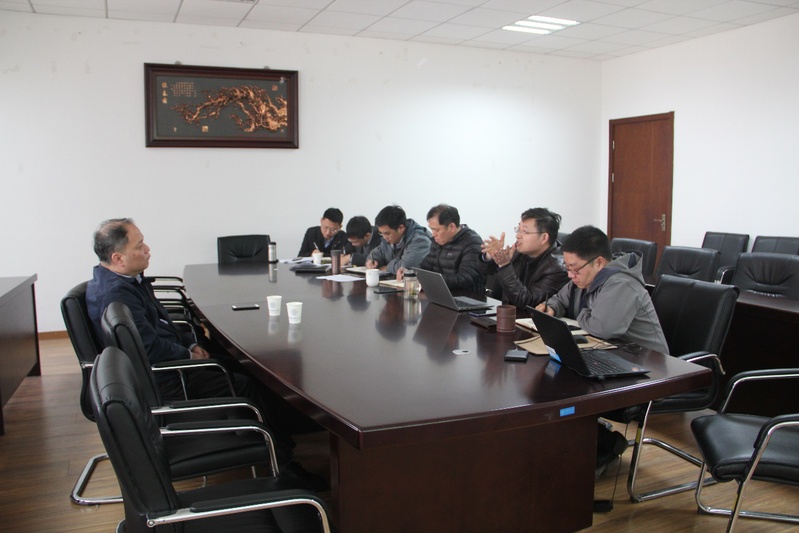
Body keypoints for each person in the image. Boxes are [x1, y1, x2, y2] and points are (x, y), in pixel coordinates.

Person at [85, 218, 325, 489]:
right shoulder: (117, 294)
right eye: (139, 245)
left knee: (244, 364)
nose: (148, 249)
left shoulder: (119, 280)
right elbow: (149, 347)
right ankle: (281, 463)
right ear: (118, 258)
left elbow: (161, 324)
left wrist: (189, 344)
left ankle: (283, 433)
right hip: (167, 378)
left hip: (163, 366)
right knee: (246, 380)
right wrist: (188, 355)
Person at [537, 225, 669, 354]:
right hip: (609, 351)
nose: (570, 275)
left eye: (575, 268)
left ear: (599, 263)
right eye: (567, 267)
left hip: (646, 360)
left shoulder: (622, 283)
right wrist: (551, 307)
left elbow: (602, 329)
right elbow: (560, 299)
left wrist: (583, 313)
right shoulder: (584, 278)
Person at [480, 208, 569, 309]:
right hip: (505, 311)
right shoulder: (520, 251)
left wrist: (504, 265)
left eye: (525, 231)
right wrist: (491, 255)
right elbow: (486, 272)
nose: (518, 235)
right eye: (518, 229)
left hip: (528, 317)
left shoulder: (558, 268)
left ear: (544, 238)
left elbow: (527, 302)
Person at [400, 204, 484, 292]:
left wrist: (434, 280)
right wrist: (410, 273)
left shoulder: (472, 242)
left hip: (465, 296)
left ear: (451, 227)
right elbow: (425, 268)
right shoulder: (437, 241)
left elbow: (467, 279)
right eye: (432, 229)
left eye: (437, 230)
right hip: (440, 293)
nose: (433, 234)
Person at [365, 205, 432, 275]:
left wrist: (387, 268)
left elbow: (407, 266)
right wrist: (373, 261)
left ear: (401, 228)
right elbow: (374, 254)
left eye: (387, 233)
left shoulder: (420, 240)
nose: (384, 237)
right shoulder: (388, 238)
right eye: (381, 233)